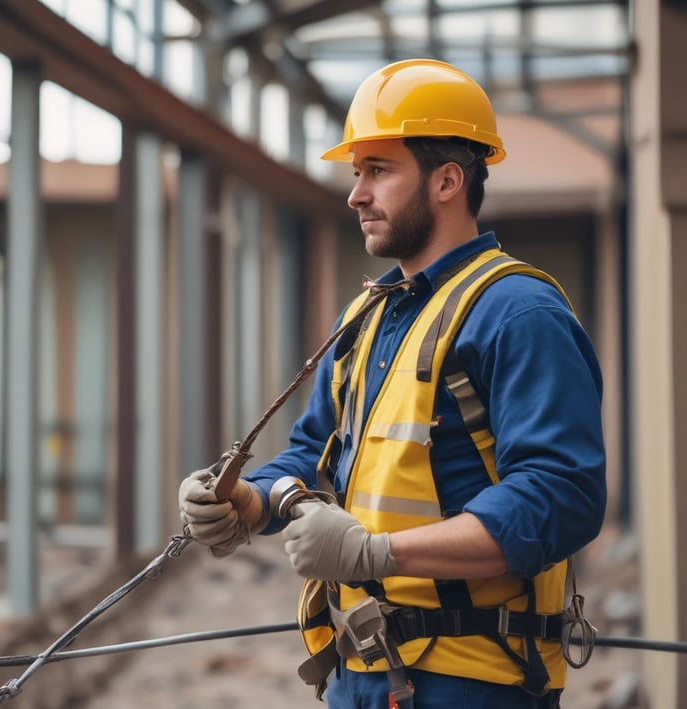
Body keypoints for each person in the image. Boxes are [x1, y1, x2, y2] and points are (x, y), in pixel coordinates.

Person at [179, 59, 606, 709]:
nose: (355, 194)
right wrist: (248, 501)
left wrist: (377, 552)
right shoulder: (367, 317)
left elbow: (562, 496)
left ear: (447, 180)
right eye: (356, 173)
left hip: (474, 682)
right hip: (363, 672)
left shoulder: (518, 313)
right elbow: (312, 453)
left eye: (377, 170)